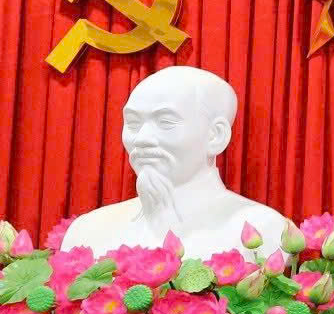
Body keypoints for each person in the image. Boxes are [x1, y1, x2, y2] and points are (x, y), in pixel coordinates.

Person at [62, 63, 290, 256]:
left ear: (216, 136)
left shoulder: (265, 230)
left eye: (165, 122)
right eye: (133, 123)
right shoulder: (87, 232)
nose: (141, 139)